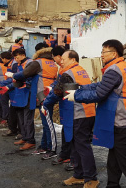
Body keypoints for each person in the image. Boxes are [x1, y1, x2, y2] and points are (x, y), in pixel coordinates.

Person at [64, 39, 126, 188]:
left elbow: (99, 94)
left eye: (103, 52)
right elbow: (100, 85)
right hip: (121, 120)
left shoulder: (114, 70)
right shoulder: (119, 66)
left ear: (114, 53)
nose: (101, 55)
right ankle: (112, 185)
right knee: (113, 160)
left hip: (122, 121)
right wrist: (82, 88)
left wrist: (77, 96)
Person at [44, 50, 98, 188]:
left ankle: (91, 178)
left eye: (63, 59)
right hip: (87, 111)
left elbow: (57, 92)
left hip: (78, 113)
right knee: (76, 146)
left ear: (73, 59)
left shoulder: (67, 73)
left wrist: (45, 103)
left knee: (82, 146)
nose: (61, 61)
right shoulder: (80, 70)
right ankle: (79, 175)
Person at [12, 43, 58, 154]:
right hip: (50, 93)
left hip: (41, 94)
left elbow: (25, 74)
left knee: (47, 123)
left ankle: (50, 148)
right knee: (46, 121)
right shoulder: (53, 63)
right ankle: (44, 145)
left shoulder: (38, 62)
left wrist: (13, 76)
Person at [0, 48, 34, 150]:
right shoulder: (19, 65)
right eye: (14, 57)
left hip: (27, 93)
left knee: (27, 119)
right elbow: (15, 79)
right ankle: (24, 136)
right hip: (19, 93)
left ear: (22, 55)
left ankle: (30, 140)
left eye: (16, 57)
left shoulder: (30, 63)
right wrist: (4, 85)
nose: (16, 59)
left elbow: (27, 78)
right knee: (21, 117)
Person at [49, 46, 73, 168]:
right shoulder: (64, 70)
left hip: (72, 106)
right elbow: (58, 84)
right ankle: (65, 155)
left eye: (54, 57)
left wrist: (47, 101)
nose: (58, 61)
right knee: (66, 131)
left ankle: (71, 158)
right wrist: (51, 88)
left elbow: (59, 89)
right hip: (68, 104)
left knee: (71, 132)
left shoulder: (68, 72)